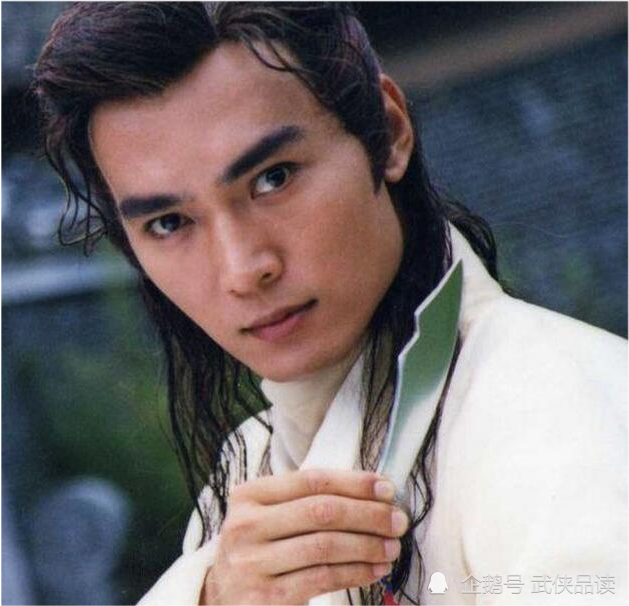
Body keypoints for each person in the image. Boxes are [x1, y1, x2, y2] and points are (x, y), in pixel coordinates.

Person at [33, 1, 629, 605]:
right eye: (168, 223)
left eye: (273, 178)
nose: (243, 270)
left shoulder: (560, 416)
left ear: (388, 132)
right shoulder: (248, 469)